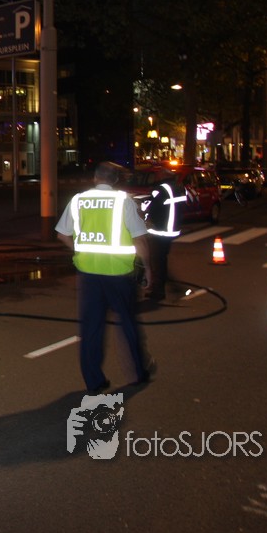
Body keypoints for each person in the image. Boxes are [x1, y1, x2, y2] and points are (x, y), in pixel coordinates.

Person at [55, 161, 154, 394]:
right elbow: (139, 239)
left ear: (95, 178)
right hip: (119, 274)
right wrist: (148, 268)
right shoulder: (123, 201)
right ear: (116, 180)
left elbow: (62, 235)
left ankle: (94, 381)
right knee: (127, 323)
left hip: (88, 274)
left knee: (91, 328)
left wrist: (81, 250)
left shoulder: (78, 200)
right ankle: (137, 373)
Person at [143, 171, 184, 301]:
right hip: (172, 230)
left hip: (160, 230)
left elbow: (150, 206)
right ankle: (169, 286)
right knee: (162, 259)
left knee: (156, 261)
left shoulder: (160, 189)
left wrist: (144, 212)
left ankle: (159, 291)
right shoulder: (178, 188)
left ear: (163, 176)